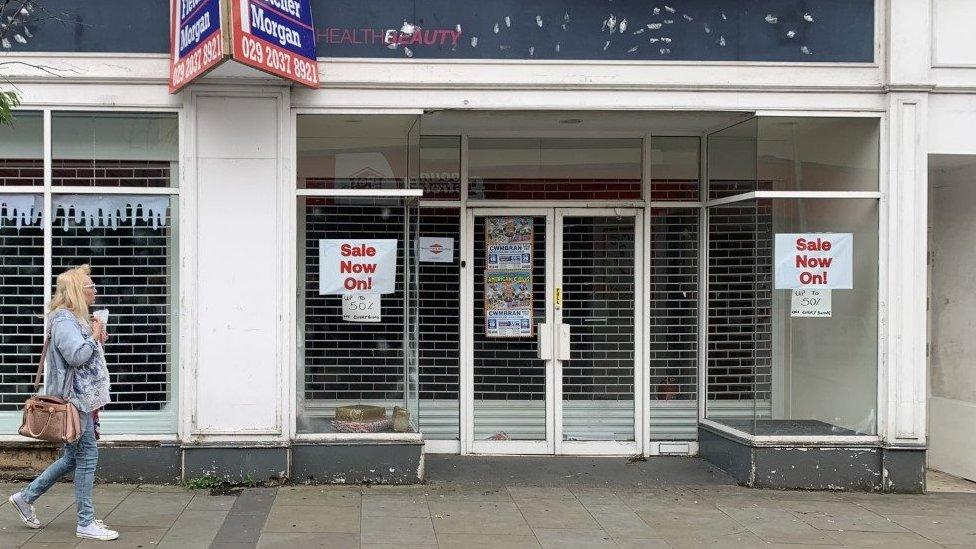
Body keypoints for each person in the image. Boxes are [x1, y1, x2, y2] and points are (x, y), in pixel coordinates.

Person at [8, 265, 118, 541]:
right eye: (91, 287)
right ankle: (85, 522)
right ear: (76, 292)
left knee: (72, 457)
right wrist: (93, 337)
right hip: (74, 401)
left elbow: (86, 354)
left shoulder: (76, 318)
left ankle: (26, 497)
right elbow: (77, 357)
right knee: (87, 456)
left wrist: (98, 336)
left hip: (85, 399)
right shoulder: (63, 321)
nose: (95, 291)